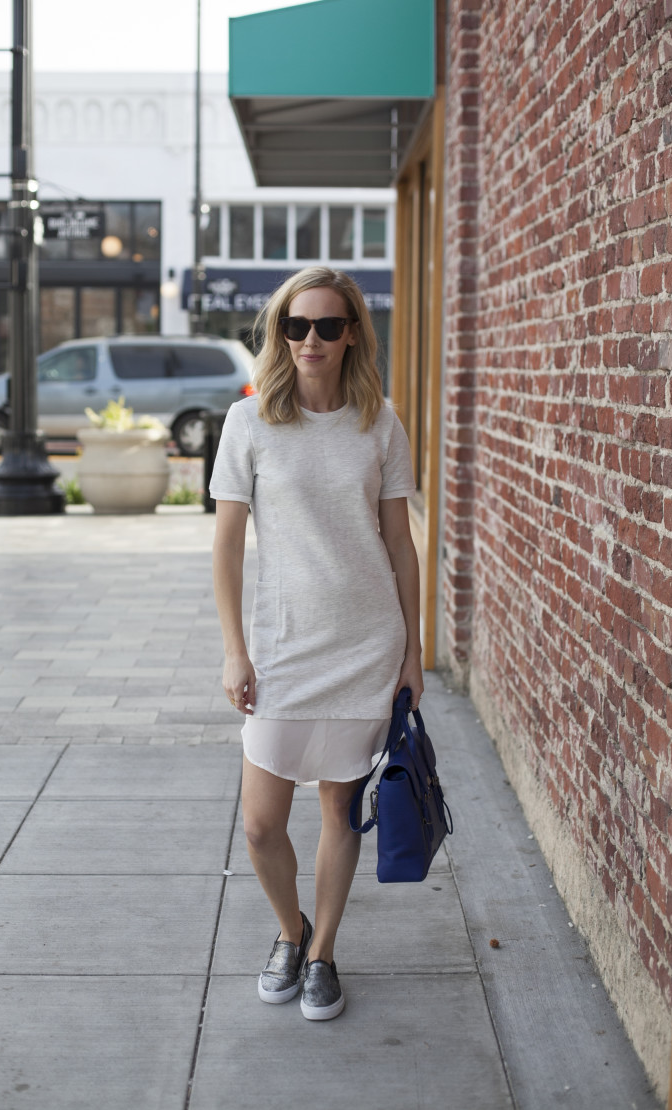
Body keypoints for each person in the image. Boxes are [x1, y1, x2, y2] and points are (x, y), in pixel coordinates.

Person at [210, 266, 423, 1022]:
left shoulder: (379, 421)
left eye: (327, 326)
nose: (310, 340)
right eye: (296, 326)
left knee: (340, 814)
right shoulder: (250, 423)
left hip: (366, 646)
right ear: (280, 333)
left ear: (352, 333)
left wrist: (412, 652)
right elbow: (227, 548)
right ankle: (289, 931)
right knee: (261, 823)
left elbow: (400, 543)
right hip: (283, 649)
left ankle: (324, 952)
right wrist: (236, 650)